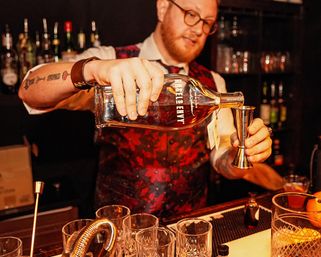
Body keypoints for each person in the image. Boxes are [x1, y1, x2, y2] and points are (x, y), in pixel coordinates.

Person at [19, 0, 281, 218]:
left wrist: (241, 152)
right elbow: (30, 91)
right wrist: (93, 69)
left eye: (207, 23)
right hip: (119, 233)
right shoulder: (111, 60)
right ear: (163, 8)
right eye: (191, 14)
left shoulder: (213, 83)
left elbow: (223, 162)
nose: (198, 29)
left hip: (188, 233)